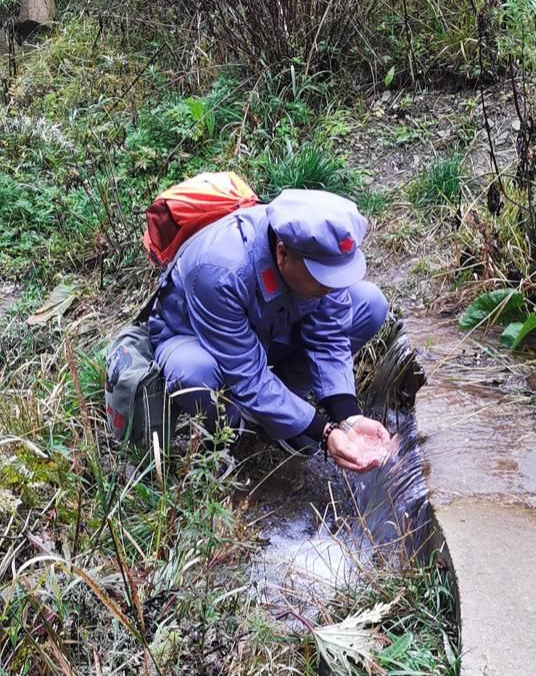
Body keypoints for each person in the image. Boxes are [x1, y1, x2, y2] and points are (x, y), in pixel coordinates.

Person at [148, 188, 392, 472]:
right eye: (323, 278)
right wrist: (323, 432)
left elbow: (329, 337)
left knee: (370, 303)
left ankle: (286, 403)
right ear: (282, 253)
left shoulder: (323, 256)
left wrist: (348, 418)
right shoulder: (218, 271)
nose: (332, 286)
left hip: (267, 330)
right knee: (192, 371)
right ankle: (231, 430)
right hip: (196, 338)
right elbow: (247, 375)